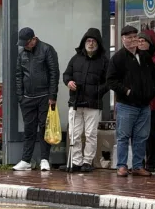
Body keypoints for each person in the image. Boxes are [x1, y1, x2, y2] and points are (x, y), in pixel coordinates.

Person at [107, 25, 155, 177]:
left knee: (141, 137)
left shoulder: (145, 56)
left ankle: (137, 166)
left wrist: (152, 92)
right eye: (129, 37)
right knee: (123, 136)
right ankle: (122, 165)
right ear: (122, 39)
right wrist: (127, 91)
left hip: (144, 105)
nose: (132, 40)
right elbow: (111, 81)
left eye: (135, 37)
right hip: (126, 105)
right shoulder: (117, 58)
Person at [60, 28, 108, 173]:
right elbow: (66, 74)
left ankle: (87, 161)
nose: (91, 43)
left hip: (93, 104)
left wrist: (96, 92)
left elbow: (109, 82)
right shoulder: (76, 58)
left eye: (93, 41)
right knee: (74, 134)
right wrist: (68, 82)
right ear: (84, 42)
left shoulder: (104, 61)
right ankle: (76, 161)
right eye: (88, 40)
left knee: (90, 134)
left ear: (98, 43)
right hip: (75, 102)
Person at [12, 27, 59, 172]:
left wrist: (52, 96)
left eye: (27, 43)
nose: (25, 46)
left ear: (33, 39)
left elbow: (54, 73)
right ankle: (26, 160)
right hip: (27, 98)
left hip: (44, 96)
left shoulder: (47, 49)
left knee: (44, 128)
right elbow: (18, 75)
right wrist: (20, 97)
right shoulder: (22, 54)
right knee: (29, 130)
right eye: (23, 44)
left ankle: (45, 159)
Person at [138, 30, 155, 174]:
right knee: (138, 134)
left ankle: (152, 163)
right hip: (138, 102)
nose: (141, 43)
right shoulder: (135, 58)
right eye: (139, 41)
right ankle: (139, 163)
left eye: (144, 41)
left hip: (153, 103)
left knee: (151, 133)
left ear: (151, 43)